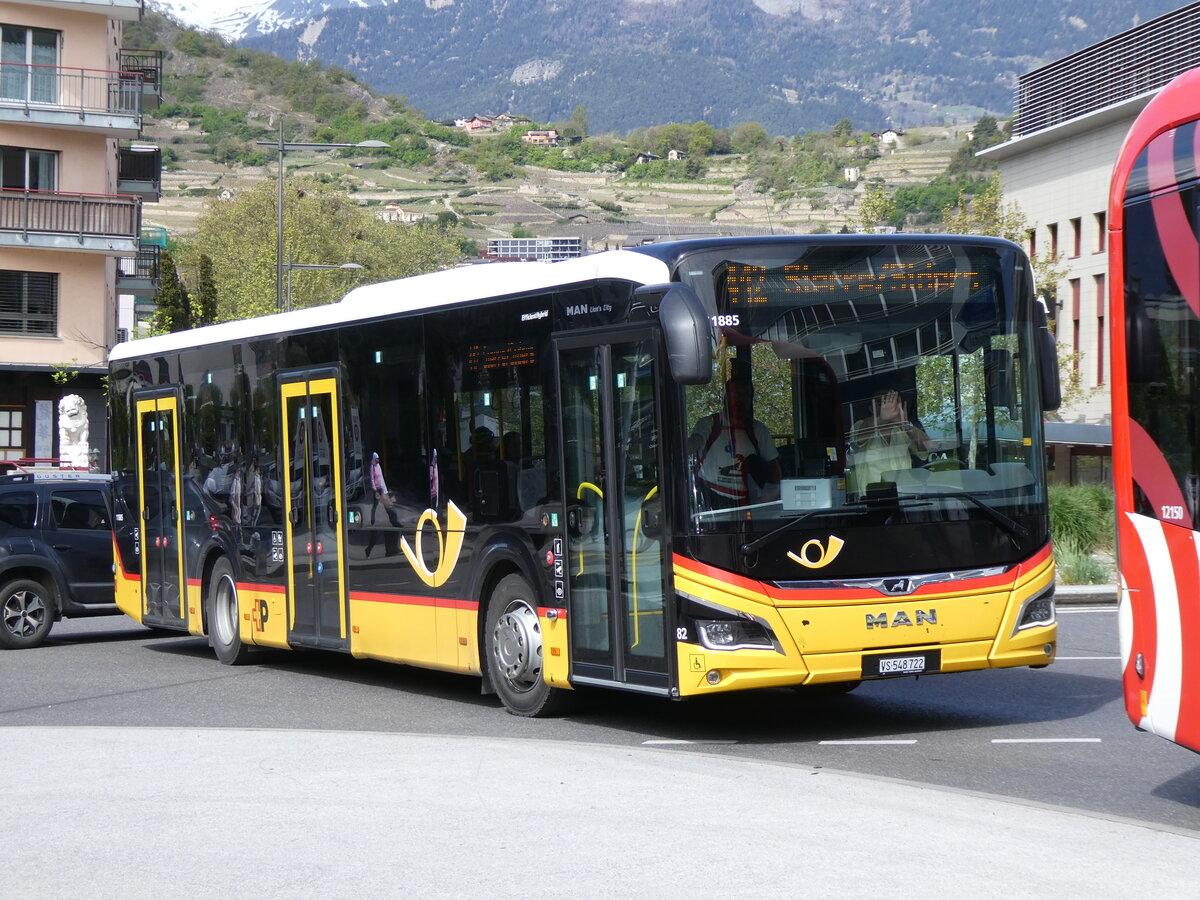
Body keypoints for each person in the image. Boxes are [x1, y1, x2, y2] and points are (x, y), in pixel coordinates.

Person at [688, 375, 782, 505]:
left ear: (750, 400)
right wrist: (683, 446)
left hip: (749, 502)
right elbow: (695, 442)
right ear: (725, 398)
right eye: (735, 394)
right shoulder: (708, 424)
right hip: (712, 499)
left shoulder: (758, 430)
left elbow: (773, 467)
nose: (740, 399)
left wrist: (771, 495)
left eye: (745, 395)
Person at [850, 388, 932, 490]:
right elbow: (859, 438)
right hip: (873, 499)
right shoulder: (861, 426)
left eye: (893, 401)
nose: (887, 406)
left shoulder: (904, 430)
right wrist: (881, 419)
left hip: (904, 497)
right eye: (881, 402)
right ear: (871, 409)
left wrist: (906, 426)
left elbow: (928, 446)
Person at [366, 451, 400, 557]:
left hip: (382, 489)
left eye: (378, 459)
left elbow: (381, 479)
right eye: (377, 459)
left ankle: (391, 519)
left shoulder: (378, 466)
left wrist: (385, 490)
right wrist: (375, 490)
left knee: (382, 506)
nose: (378, 460)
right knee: (383, 507)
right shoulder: (372, 467)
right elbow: (372, 479)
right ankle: (390, 519)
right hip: (378, 490)